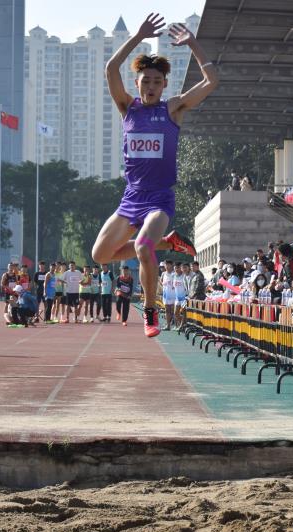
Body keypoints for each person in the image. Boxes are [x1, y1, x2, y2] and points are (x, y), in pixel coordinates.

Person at [90, 14, 218, 338]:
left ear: (164, 85)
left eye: (156, 82)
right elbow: (110, 69)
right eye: (145, 81)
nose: (150, 86)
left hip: (160, 198)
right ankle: (168, 241)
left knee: (144, 248)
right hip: (131, 197)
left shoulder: (172, 109)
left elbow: (211, 81)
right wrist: (137, 36)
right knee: (100, 255)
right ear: (137, 84)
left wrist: (193, 44)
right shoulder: (127, 108)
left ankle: (150, 310)